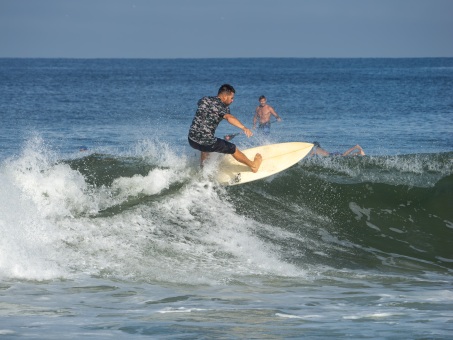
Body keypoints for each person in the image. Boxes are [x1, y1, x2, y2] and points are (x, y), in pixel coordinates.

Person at [188, 84, 262, 172]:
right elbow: (229, 118)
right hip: (207, 142)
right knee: (232, 148)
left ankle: (202, 169)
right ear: (225, 96)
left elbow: (201, 105)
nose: (232, 101)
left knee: (204, 146)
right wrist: (244, 128)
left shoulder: (204, 99)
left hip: (191, 139)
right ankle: (253, 166)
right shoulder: (223, 107)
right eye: (231, 98)